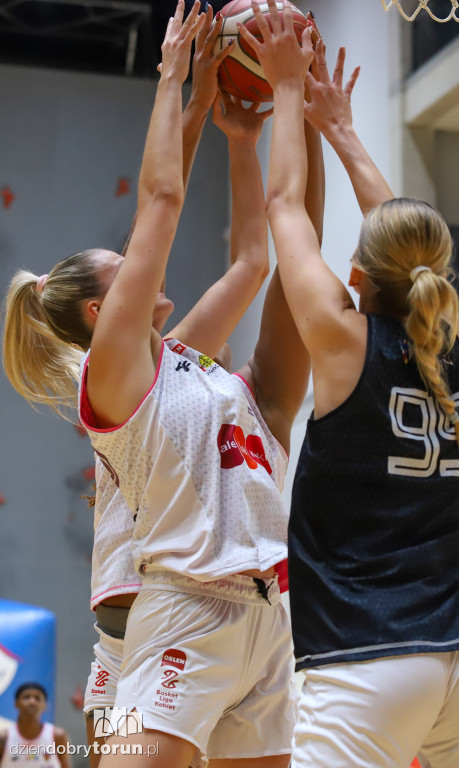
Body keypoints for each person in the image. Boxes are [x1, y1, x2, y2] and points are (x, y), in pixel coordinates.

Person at [2, 3, 325, 766]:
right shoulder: (119, 373)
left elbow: (256, 260)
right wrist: (178, 86)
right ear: (100, 309)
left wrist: (248, 131)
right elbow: (161, 203)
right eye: (126, 266)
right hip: (134, 641)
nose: (145, 260)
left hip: (251, 615)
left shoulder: (188, 366)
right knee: (112, 749)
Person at [239, 3, 459, 767]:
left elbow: (284, 207)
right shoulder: (451, 347)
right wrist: (343, 131)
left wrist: (287, 91)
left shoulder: (340, 336)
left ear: (356, 274)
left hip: (368, 661)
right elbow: (404, 240)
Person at [0, 683, 70, 768]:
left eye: (37, 698)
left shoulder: (57, 736)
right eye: (26, 697)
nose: (32, 702)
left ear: (45, 705)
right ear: (16, 703)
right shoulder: (4, 738)